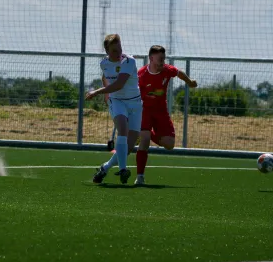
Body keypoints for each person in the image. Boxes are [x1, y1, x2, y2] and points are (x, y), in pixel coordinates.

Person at [135, 45, 198, 185]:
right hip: (145, 111)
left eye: (164, 59)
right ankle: (140, 177)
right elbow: (133, 93)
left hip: (161, 111)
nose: (162, 62)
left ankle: (146, 133)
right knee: (144, 141)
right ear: (151, 58)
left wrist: (189, 82)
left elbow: (179, 73)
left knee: (169, 144)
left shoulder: (166, 70)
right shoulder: (141, 75)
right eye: (160, 59)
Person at [85, 34, 142, 184]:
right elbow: (105, 77)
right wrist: (107, 94)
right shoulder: (103, 63)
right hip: (117, 101)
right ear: (107, 51)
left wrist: (97, 92)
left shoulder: (129, 61)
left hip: (135, 104)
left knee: (128, 147)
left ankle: (105, 167)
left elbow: (119, 84)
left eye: (120, 49)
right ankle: (123, 170)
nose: (118, 53)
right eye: (114, 51)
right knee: (122, 129)